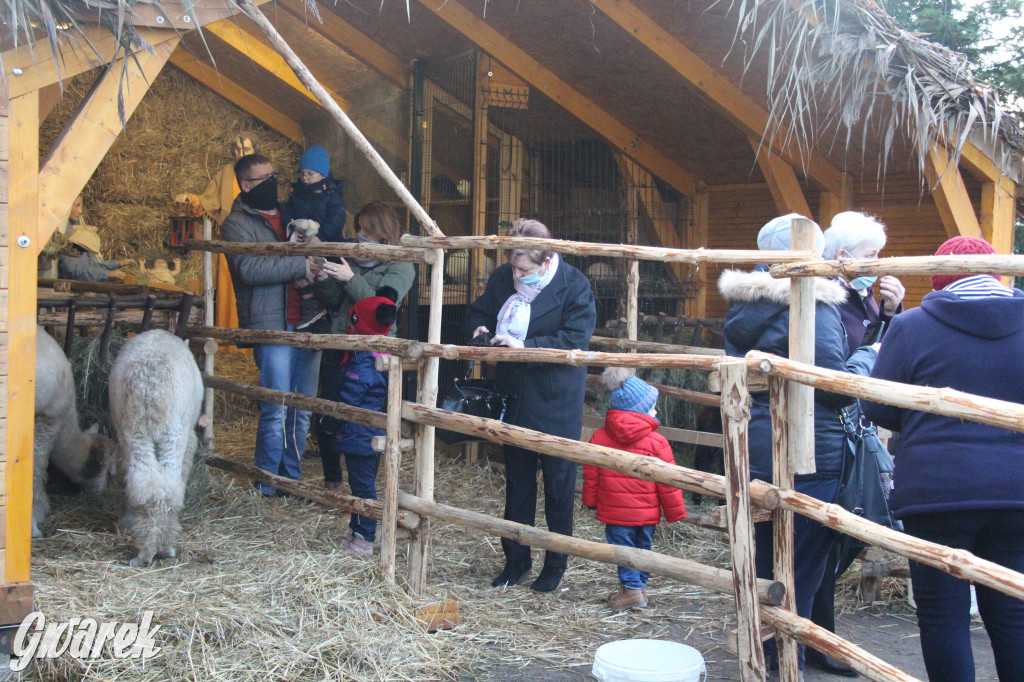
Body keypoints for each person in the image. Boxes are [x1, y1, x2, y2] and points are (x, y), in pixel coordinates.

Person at [718, 214, 877, 674]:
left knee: (771, 559)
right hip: (810, 450)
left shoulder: (746, 308)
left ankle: (769, 656)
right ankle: (789, 659)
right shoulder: (812, 304)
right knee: (803, 567)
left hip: (758, 445)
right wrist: (868, 358)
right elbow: (831, 387)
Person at [863, 236, 1024, 682]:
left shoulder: (913, 326)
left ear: (938, 278)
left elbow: (877, 406)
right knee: (1013, 615)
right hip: (1017, 491)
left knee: (942, 615)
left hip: (937, 490)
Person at [465, 218, 597, 594]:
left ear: (546, 259)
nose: (517, 273)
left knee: (558, 483)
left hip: (555, 396)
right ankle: (516, 560)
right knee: (518, 484)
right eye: (513, 264)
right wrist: (480, 332)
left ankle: (555, 563)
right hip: (516, 393)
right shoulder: (503, 279)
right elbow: (478, 311)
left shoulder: (574, 285)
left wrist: (526, 348)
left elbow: (575, 338)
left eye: (525, 268)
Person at [808, 211, 907, 676]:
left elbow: (874, 350)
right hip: (827, 429)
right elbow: (849, 365)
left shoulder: (859, 295)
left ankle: (817, 635)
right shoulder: (824, 297)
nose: (879, 263)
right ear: (844, 256)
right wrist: (875, 345)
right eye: (872, 255)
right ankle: (815, 638)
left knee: (841, 534)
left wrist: (890, 314)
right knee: (826, 537)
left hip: (852, 427)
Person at [221, 153, 320, 497]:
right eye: (265, 179)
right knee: (275, 406)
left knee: (301, 407)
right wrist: (299, 267)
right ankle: (266, 483)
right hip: (271, 322)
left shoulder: (291, 212)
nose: (273, 184)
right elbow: (249, 270)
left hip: (305, 320)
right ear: (246, 185)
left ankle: (290, 479)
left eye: (274, 176)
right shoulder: (236, 224)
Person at [308, 201, 416, 488]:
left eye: (367, 229)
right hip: (341, 344)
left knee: (368, 421)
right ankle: (333, 480)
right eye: (359, 228)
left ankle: (365, 484)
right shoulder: (353, 257)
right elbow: (336, 302)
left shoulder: (401, 267)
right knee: (329, 412)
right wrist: (322, 279)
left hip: (374, 352)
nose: (360, 234)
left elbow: (381, 308)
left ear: (383, 233)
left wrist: (351, 279)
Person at [583, 367, 686, 611]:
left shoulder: (599, 437)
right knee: (643, 548)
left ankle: (632, 590)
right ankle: (638, 588)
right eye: (651, 408)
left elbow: (591, 475)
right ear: (639, 410)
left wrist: (590, 501)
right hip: (646, 514)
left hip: (615, 512)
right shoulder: (657, 442)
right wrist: (675, 512)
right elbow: (668, 482)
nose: (656, 411)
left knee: (622, 550)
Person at [318, 293, 398, 557]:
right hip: (368, 432)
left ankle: (365, 538)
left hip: (359, 433)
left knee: (363, 487)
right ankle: (355, 531)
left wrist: (331, 421)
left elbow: (350, 396)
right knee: (361, 484)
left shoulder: (363, 361)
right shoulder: (380, 352)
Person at [177, 133, 262, 333]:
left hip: (256, 242)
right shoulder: (225, 174)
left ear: (255, 151)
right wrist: (192, 200)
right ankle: (227, 336)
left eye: (247, 149)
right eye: (238, 149)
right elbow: (209, 200)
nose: (242, 153)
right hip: (229, 241)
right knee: (228, 290)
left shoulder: (261, 173)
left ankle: (251, 337)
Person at [283, 145, 347, 243]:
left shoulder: (331, 194)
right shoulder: (296, 193)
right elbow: (287, 212)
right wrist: (291, 227)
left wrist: (321, 236)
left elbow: (337, 219)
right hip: (301, 240)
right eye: (302, 173)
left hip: (328, 243)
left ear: (322, 175)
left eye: (310, 174)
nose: (305, 177)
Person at [57, 227, 132, 282]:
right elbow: (76, 272)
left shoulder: (81, 252)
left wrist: (116, 264)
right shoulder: (68, 253)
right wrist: (106, 274)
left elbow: (92, 267)